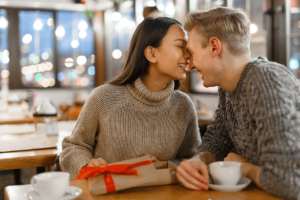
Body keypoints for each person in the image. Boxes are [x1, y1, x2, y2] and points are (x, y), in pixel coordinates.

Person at [176, 7, 300, 199]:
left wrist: (244, 168)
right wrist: (199, 160)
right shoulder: (228, 87)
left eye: (192, 53)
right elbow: (218, 140)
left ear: (214, 47)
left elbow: (287, 181)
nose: (190, 64)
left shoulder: (264, 80)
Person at [60, 17, 201, 180]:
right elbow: (74, 147)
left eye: (188, 49)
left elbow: (191, 159)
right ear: (151, 53)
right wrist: (86, 167)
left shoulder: (183, 105)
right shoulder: (104, 97)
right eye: (180, 46)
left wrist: (163, 166)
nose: (188, 56)